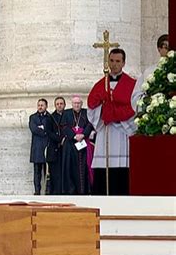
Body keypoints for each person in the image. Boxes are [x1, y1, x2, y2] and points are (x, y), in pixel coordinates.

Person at [87, 48, 137, 195]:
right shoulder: (100, 85)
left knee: (121, 172)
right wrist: (103, 109)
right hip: (106, 132)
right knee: (104, 172)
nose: (114, 65)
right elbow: (91, 108)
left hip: (122, 132)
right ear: (108, 61)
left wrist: (117, 115)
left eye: (117, 61)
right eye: (112, 61)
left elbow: (135, 106)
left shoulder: (131, 84)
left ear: (123, 63)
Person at [61, 95, 94, 195]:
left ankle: (83, 190)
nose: (77, 105)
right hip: (70, 145)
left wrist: (83, 135)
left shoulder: (86, 112)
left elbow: (90, 124)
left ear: (81, 104)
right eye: (75, 103)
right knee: (69, 167)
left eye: (78, 103)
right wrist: (74, 136)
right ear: (72, 104)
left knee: (83, 168)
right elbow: (64, 126)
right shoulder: (66, 113)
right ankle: (71, 191)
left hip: (83, 145)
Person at [131, 34, 169, 111]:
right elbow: (136, 96)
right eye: (165, 47)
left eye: (170, 47)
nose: (168, 50)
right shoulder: (149, 72)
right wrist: (150, 101)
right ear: (159, 49)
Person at [45, 96, 66, 195]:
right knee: (55, 174)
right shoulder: (50, 118)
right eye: (57, 104)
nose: (59, 106)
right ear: (55, 105)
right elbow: (49, 132)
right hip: (54, 149)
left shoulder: (68, 116)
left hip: (65, 148)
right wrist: (60, 139)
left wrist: (65, 139)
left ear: (64, 105)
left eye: (61, 104)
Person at [29, 98, 50, 195]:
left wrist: (42, 128)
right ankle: (37, 191)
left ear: (46, 106)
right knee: (37, 171)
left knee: (48, 171)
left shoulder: (50, 117)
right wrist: (43, 130)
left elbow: (49, 130)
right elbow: (34, 129)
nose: (40, 107)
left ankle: (48, 190)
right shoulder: (32, 117)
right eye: (39, 105)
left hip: (47, 147)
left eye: (42, 105)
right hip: (37, 148)